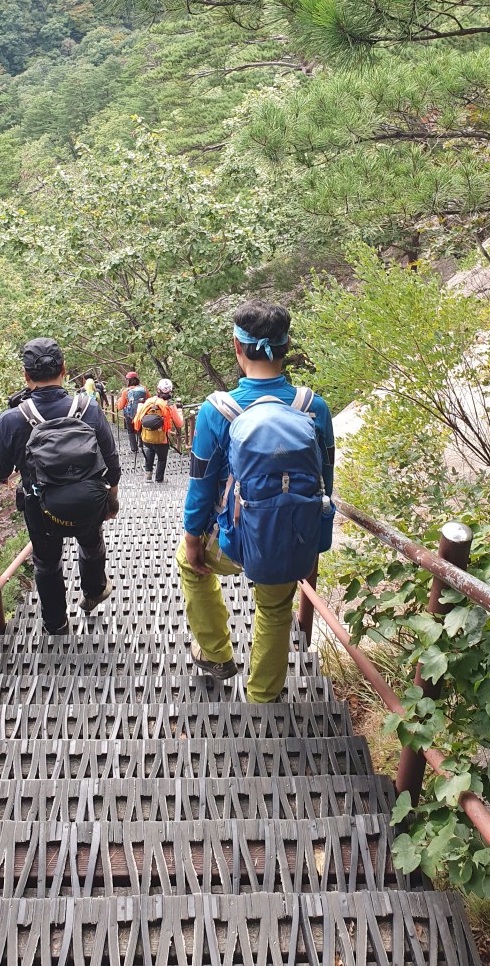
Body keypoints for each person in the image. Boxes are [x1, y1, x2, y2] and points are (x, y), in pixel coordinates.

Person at [177, 301, 335, 702]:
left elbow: (200, 484)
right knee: (276, 608)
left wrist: (194, 536)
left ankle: (215, 653)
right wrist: (315, 544)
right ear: (286, 347)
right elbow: (324, 484)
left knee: (187, 562)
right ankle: (263, 697)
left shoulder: (217, 411)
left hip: (231, 541)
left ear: (237, 346)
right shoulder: (312, 407)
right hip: (288, 536)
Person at [0, 337, 121, 634]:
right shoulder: (88, 408)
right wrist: (111, 499)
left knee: (46, 563)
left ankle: (56, 623)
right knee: (90, 543)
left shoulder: (12, 419)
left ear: (26, 376)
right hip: (88, 500)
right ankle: (94, 591)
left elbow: (0, 470)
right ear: (63, 368)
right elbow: (111, 460)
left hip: (41, 508)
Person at [133, 378, 184, 483]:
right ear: (170, 391)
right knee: (161, 458)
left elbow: (138, 415)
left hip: (146, 436)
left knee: (150, 450)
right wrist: (179, 410)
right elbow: (179, 423)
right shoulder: (169, 406)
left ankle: (148, 474)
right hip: (162, 438)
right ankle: (159, 478)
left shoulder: (149, 401)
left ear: (158, 389)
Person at [116, 371, 149, 458]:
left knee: (131, 431)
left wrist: (118, 402)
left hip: (129, 414)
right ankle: (141, 444)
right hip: (141, 413)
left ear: (128, 380)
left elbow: (120, 406)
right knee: (141, 428)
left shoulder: (126, 391)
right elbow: (149, 400)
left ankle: (134, 449)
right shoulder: (144, 389)